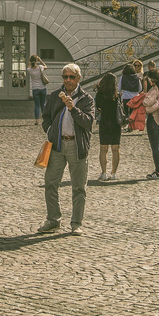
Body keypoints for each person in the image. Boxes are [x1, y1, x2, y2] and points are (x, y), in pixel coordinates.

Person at [38, 64, 95, 235]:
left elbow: (87, 122)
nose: (68, 80)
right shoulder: (55, 95)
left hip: (77, 147)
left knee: (79, 187)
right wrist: (50, 130)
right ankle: (53, 220)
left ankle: (76, 223)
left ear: (78, 78)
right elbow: (46, 116)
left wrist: (72, 108)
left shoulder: (86, 99)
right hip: (57, 145)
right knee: (50, 183)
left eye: (71, 77)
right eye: (65, 77)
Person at [95, 72, 121, 181]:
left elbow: (98, 107)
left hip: (104, 123)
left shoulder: (100, 94)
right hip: (115, 123)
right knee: (115, 149)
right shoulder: (117, 95)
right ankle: (113, 173)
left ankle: (104, 172)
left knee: (103, 149)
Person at [26, 54, 48, 124]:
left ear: (30, 61)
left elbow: (28, 67)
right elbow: (46, 66)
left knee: (37, 105)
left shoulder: (29, 70)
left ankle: (37, 120)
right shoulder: (40, 67)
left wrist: (29, 62)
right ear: (36, 61)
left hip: (35, 89)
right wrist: (40, 60)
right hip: (43, 88)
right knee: (43, 104)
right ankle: (45, 119)